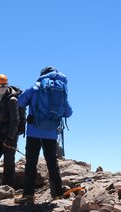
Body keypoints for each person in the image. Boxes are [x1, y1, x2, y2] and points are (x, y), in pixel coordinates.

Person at [14, 66, 73, 204]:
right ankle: (58, 194)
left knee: (31, 163)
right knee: (52, 162)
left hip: (34, 131)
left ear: (42, 74)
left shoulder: (36, 86)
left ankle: (29, 195)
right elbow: (69, 112)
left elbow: (20, 102)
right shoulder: (62, 89)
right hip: (51, 133)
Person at [0, 74, 21, 188]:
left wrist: (10, 137)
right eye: (0, 85)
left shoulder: (12, 100)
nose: (2, 87)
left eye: (4, 85)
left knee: (8, 162)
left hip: (11, 135)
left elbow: (15, 120)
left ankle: (8, 188)